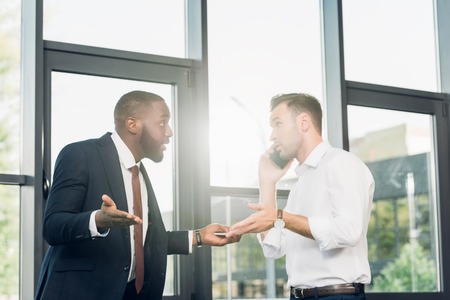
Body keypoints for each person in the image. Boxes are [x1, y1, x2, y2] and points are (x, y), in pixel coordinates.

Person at [35, 90, 239, 300]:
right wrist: (97, 220)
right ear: (132, 124)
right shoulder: (80, 154)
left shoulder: (138, 173)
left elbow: (144, 242)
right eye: (162, 123)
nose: (169, 132)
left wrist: (199, 236)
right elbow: (53, 226)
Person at [227, 93, 374, 299]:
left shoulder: (340, 162)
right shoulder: (300, 185)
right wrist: (267, 183)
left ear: (304, 122)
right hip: (299, 295)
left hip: (336, 296)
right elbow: (273, 246)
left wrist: (281, 217)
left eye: (277, 124)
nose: (272, 136)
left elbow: (349, 230)